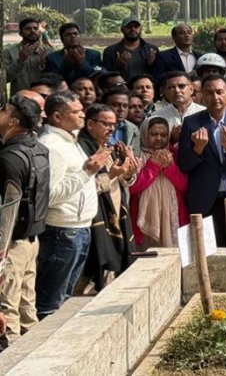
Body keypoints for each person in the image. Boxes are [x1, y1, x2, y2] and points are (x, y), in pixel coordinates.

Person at [37, 92, 113, 318]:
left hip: (79, 227)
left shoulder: (70, 139)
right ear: (57, 117)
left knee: (64, 296)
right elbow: (50, 195)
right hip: (62, 230)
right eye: (75, 111)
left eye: (81, 109)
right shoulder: (52, 146)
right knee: (51, 299)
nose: (82, 114)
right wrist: (86, 172)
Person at [178, 75, 226, 247]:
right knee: (205, 250)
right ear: (202, 97)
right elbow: (183, 164)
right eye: (210, 93)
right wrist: (197, 149)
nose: (215, 97)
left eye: (220, 92)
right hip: (203, 197)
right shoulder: (191, 122)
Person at [0, 96, 49, 349]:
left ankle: (14, 363)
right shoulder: (39, 148)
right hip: (31, 240)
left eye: (4, 110)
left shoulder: (9, 157)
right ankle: (33, 355)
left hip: (12, 246)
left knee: (7, 311)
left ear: (14, 121)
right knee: (27, 305)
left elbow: (9, 208)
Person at [77, 105, 139, 292]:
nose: (111, 129)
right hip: (94, 219)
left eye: (114, 124)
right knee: (87, 279)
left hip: (115, 215)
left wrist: (129, 172)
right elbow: (82, 189)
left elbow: (122, 182)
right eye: (106, 124)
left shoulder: (107, 148)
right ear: (90, 124)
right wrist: (111, 175)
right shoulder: (81, 149)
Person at [129, 116, 188, 248]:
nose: (159, 139)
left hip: (172, 214)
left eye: (163, 135)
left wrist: (169, 167)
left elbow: (184, 185)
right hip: (143, 214)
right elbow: (132, 188)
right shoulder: (136, 156)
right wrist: (152, 166)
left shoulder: (175, 154)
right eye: (154, 134)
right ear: (144, 133)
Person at [2, 18, 53, 97]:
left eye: (35, 28)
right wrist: (20, 60)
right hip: (19, 101)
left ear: (39, 32)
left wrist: (45, 64)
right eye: (28, 29)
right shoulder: (9, 52)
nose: (32, 31)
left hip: (43, 99)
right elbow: (5, 79)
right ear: (20, 33)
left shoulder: (48, 51)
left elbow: (55, 78)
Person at [151, 72, 205, 142]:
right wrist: (171, 139)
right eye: (171, 87)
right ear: (166, 92)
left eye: (181, 86)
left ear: (191, 89)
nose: (177, 91)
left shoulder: (204, 113)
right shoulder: (157, 116)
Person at [101, 16, 159, 80]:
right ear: (122, 29)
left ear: (141, 29)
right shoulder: (110, 51)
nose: (132, 29)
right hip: (121, 89)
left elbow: (158, 75)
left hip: (144, 88)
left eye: (136, 27)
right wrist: (119, 65)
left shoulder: (152, 49)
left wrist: (151, 65)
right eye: (129, 27)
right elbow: (105, 77)